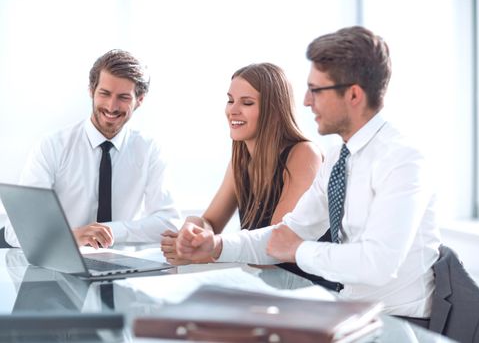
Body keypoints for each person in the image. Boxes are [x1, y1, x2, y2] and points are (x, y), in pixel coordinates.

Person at [175, 26, 441, 322]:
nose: (305, 100)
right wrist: (215, 246)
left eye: (316, 90)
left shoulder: (402, 159)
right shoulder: (340, 160)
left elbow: (378, 263)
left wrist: (298, 250)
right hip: (349, 314)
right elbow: (284, 236)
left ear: (353, 95)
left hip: (400, 323)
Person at [4, 49, 180, 248]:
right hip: (60, 265)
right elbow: (14, 230)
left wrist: (110, 231)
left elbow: (169, 223)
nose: (111, 107)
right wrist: (73, 236)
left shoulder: (149, 150)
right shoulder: (53, 147)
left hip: (122, 268)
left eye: (123, 97)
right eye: (104, 94)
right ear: (91, 90)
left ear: (139, 100)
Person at [160, 63, 322, 268]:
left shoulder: (304, 154)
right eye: (230, 100)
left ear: (273, 110)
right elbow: (211, 222)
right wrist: (194, 231)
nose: (232, 110)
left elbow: (277, 246)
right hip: (264, 287)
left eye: (247, 103)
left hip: (307, 289)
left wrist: (207, 254)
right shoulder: (241, 161)